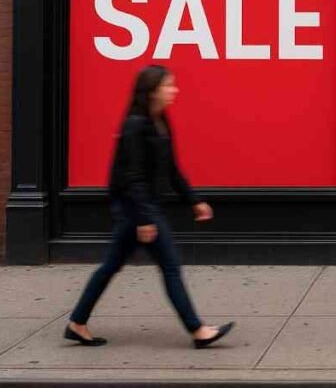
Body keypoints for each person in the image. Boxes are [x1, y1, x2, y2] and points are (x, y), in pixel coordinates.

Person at [65, 65, 234, 349]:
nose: (174, 90)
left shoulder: (160, 120)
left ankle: (77, 322)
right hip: (136, 208)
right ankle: (198, 330)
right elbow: (132, 176)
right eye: (169, 85)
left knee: (110, 266)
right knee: (169, 266)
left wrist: (194, 200)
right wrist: (144, 219)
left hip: (143, 206)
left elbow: (171, 167)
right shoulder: (135, 124)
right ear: (153, 91)